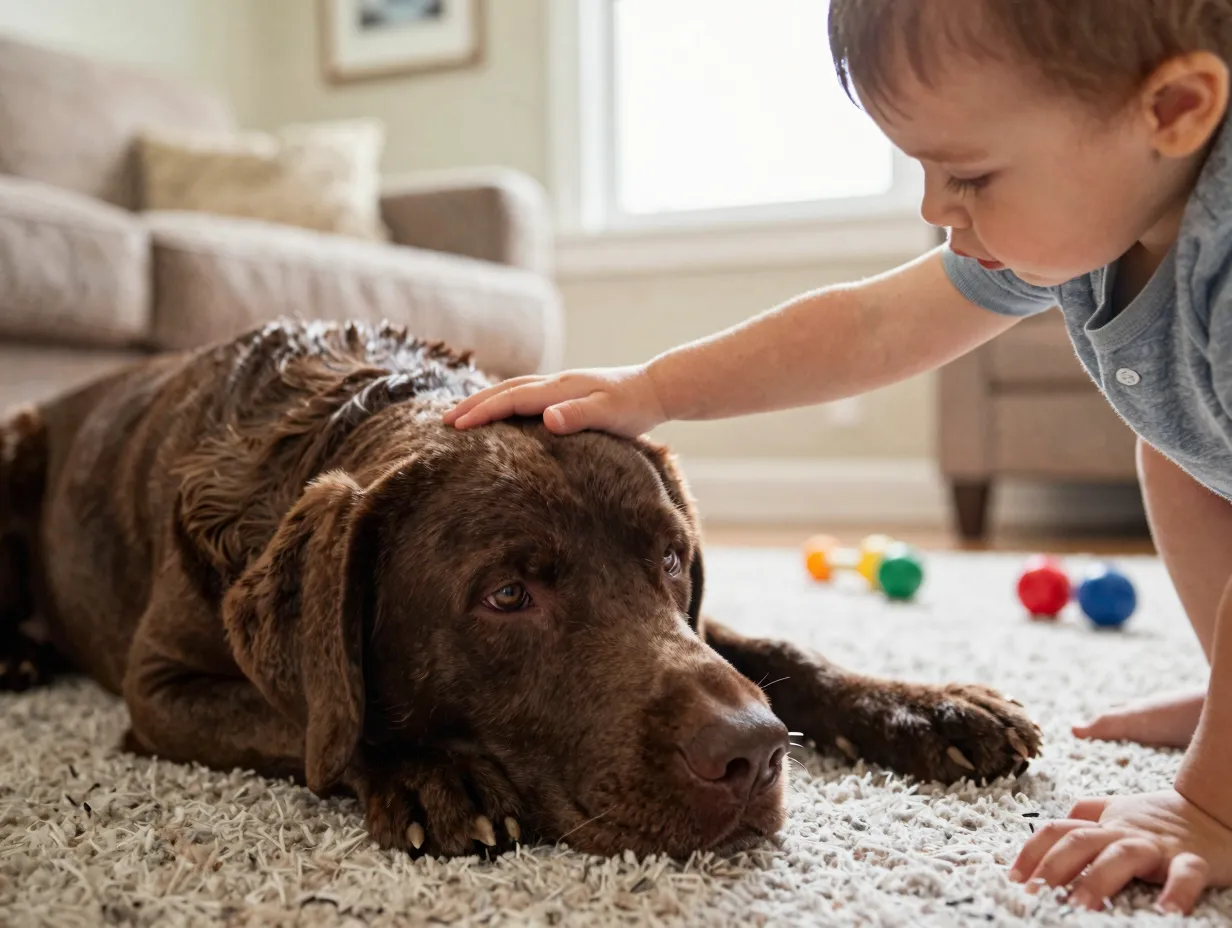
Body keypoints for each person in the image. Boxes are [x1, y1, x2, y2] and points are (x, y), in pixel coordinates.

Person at [445, 1, 1232, 913]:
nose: (936, 207)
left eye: (969, 173)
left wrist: (1206, 806)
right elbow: (868, 325)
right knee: (1174, 451)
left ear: (1175, 110)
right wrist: (654, 386)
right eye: (926, 170)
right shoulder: (1109, 202)